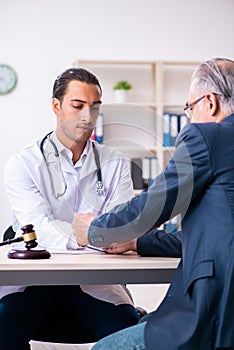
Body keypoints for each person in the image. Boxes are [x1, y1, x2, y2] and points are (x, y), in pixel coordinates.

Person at [72, 58, 234, 350]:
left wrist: (94, 229)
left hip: (216, 309)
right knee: (141, 323)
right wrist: (136, 243)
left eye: (189, 108)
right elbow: (214, 237)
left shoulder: (209, 136)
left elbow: (153, 206)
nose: (189, 118)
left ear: (209, 102)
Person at [2, 67, 140, 350]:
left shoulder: (114, 164)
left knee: (130, 333)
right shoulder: (23, 163)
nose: (87, 117)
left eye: (95, 107)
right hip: (33, 283)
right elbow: (36, 228)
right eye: (77, 106)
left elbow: (122, 229)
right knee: (2, 325)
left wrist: (97, 233)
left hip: (97, 284)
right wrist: (92, 234)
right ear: (57, 106)